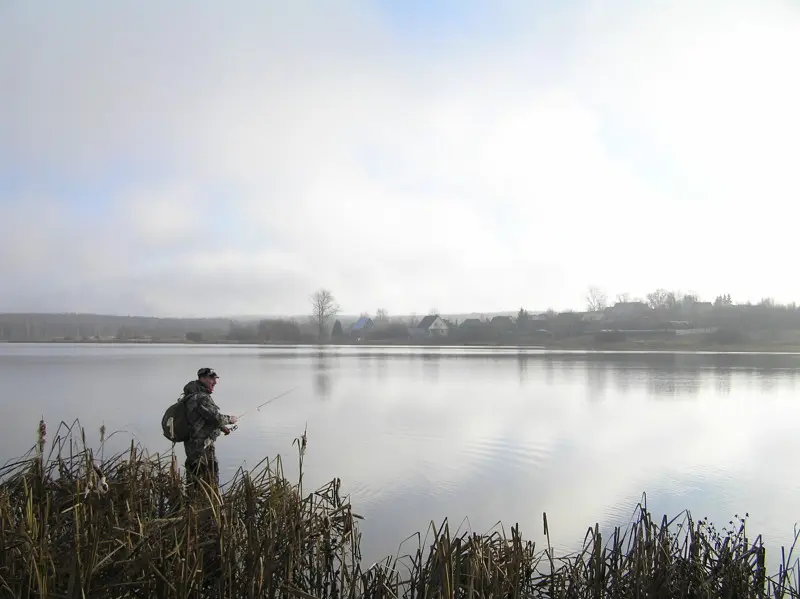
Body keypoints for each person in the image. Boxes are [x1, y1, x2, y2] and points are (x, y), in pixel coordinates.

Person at [182, 367, 238, 493]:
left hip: (197, 446)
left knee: (198, 479)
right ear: (202, 378)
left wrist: (222, 428)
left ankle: (197, 503)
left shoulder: (194, 395)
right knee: (204, 479)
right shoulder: (200, 397)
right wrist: (230, 419)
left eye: (215, 379)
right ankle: (204, 504)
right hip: (200, 448)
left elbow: (205, 418)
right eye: (211, 378)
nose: (215, 382)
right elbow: (215, 417)